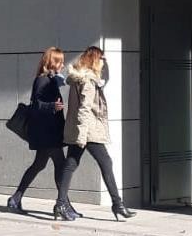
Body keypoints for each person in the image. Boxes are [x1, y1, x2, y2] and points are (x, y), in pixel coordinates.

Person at [56, 46, 136, 222]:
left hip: (80, 129)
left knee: (70, 164)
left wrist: (78, 133)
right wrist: (82, 136)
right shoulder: (89, 81)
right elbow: (84, 110)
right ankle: (117, 204)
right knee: (106, 162)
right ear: (94, 60)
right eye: (101, 60)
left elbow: (102, 81)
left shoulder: (78, 78)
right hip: (88, 131)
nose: (103, 63)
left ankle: (61, 204)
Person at [6, 47, 76, 216]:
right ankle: (63, 205)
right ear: (52, 62)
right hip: (46, 132)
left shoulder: (51, 80)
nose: (62, 64)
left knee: (39, 165)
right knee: (60, 165)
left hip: (49, 131)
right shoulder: (42, 80)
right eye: (59, 61)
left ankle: (16, 198)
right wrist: (53, 106)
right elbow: (37, 105)